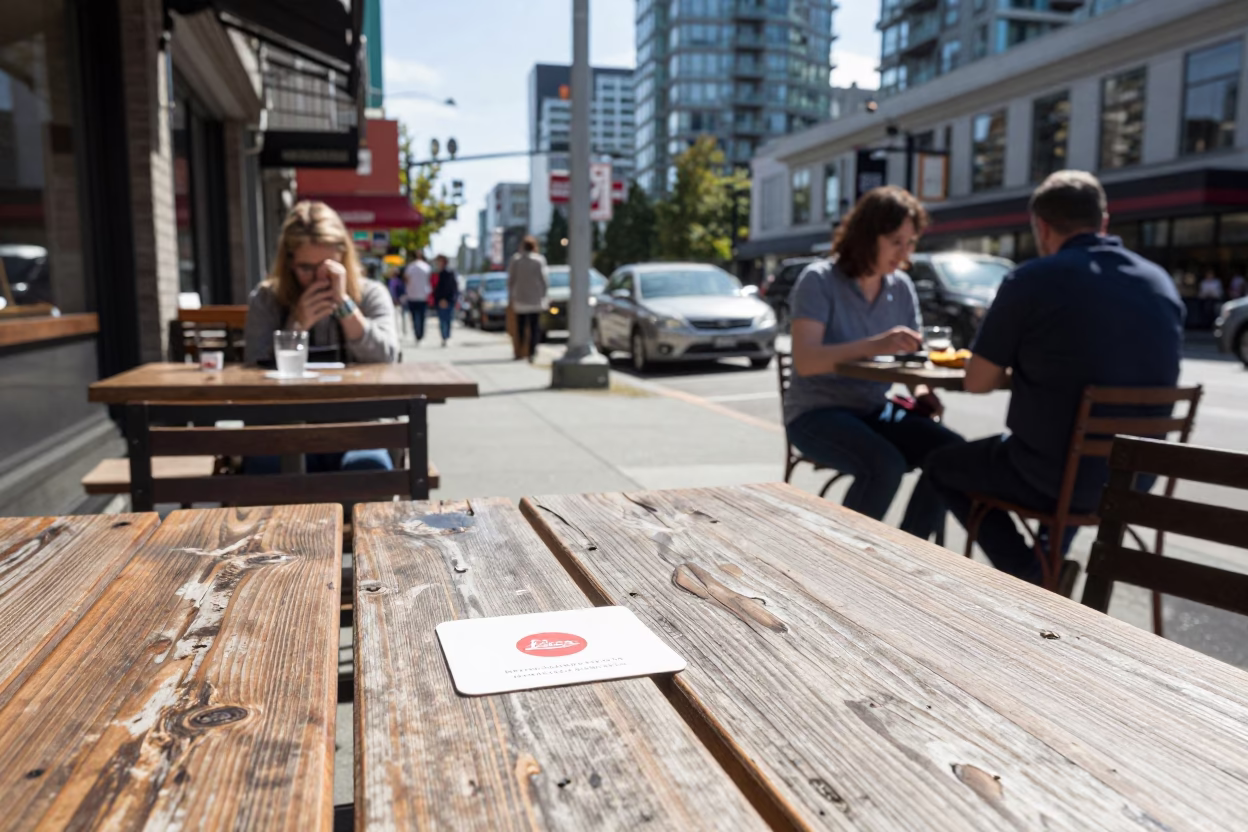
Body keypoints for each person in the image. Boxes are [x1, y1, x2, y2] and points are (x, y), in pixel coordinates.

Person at [924, 171, 1183, 590]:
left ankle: (1031, 572)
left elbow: (977, 382)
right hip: (1135, 482)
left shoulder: (1032, 279)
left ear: (1041, 227)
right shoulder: (1160, 282)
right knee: (1078, 461)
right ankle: (1049, 564)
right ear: (1104, 221)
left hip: (1056, 478)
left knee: (942, 465)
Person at [785, 186, 963, 536]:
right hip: (816, 413)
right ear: (868, 235)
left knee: (953, 454)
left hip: (874, 410)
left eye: (911, 243)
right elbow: (806, 361)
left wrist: (924, 389)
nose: (905, 253)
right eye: (897, 241)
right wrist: (875, 344)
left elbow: (911, 357)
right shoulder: (819, 280)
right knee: (884, 464)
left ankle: (910, 552)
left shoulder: (901, 286)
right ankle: (843, 559)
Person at [243, 200, 399, 473]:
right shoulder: (267, 299)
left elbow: (387, 357)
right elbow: (254, 368)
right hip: (285, 425)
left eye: (326, 268)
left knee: (368, 468)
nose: (317, 279)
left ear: (342, 257)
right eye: (306, 268)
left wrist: (346, 307)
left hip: (359, 425)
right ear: (289, 262)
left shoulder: (371, 293)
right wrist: (297, 326)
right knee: (266, 469)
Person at [507, 236, 550, 362]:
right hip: (535, 299)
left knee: (520, 326)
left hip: (520, 298)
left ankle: (519, 351)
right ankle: (532, 351)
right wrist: (545, 296)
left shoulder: (516, 260)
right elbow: (544, 280)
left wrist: (511, 296)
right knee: (534, 326)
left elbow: (511, 280)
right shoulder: (539, 260)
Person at [404, 251, 433, 345]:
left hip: (412, 295)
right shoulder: (427, 267)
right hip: (423, 295)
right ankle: (420, 335)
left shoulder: (410, 267)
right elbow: (430, 280)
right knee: (422, 317)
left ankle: (417, 334)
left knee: (414, 317)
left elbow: (406, 280)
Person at [430, 255, 459, 347]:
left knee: (447, 320)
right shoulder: (435, 273)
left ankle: (446, 336)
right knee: (443, 320)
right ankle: (444, 337)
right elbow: (434, 288)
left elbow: (452, 288)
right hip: (441, 301)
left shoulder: (448, 273)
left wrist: (447, 299)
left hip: (448, 300)